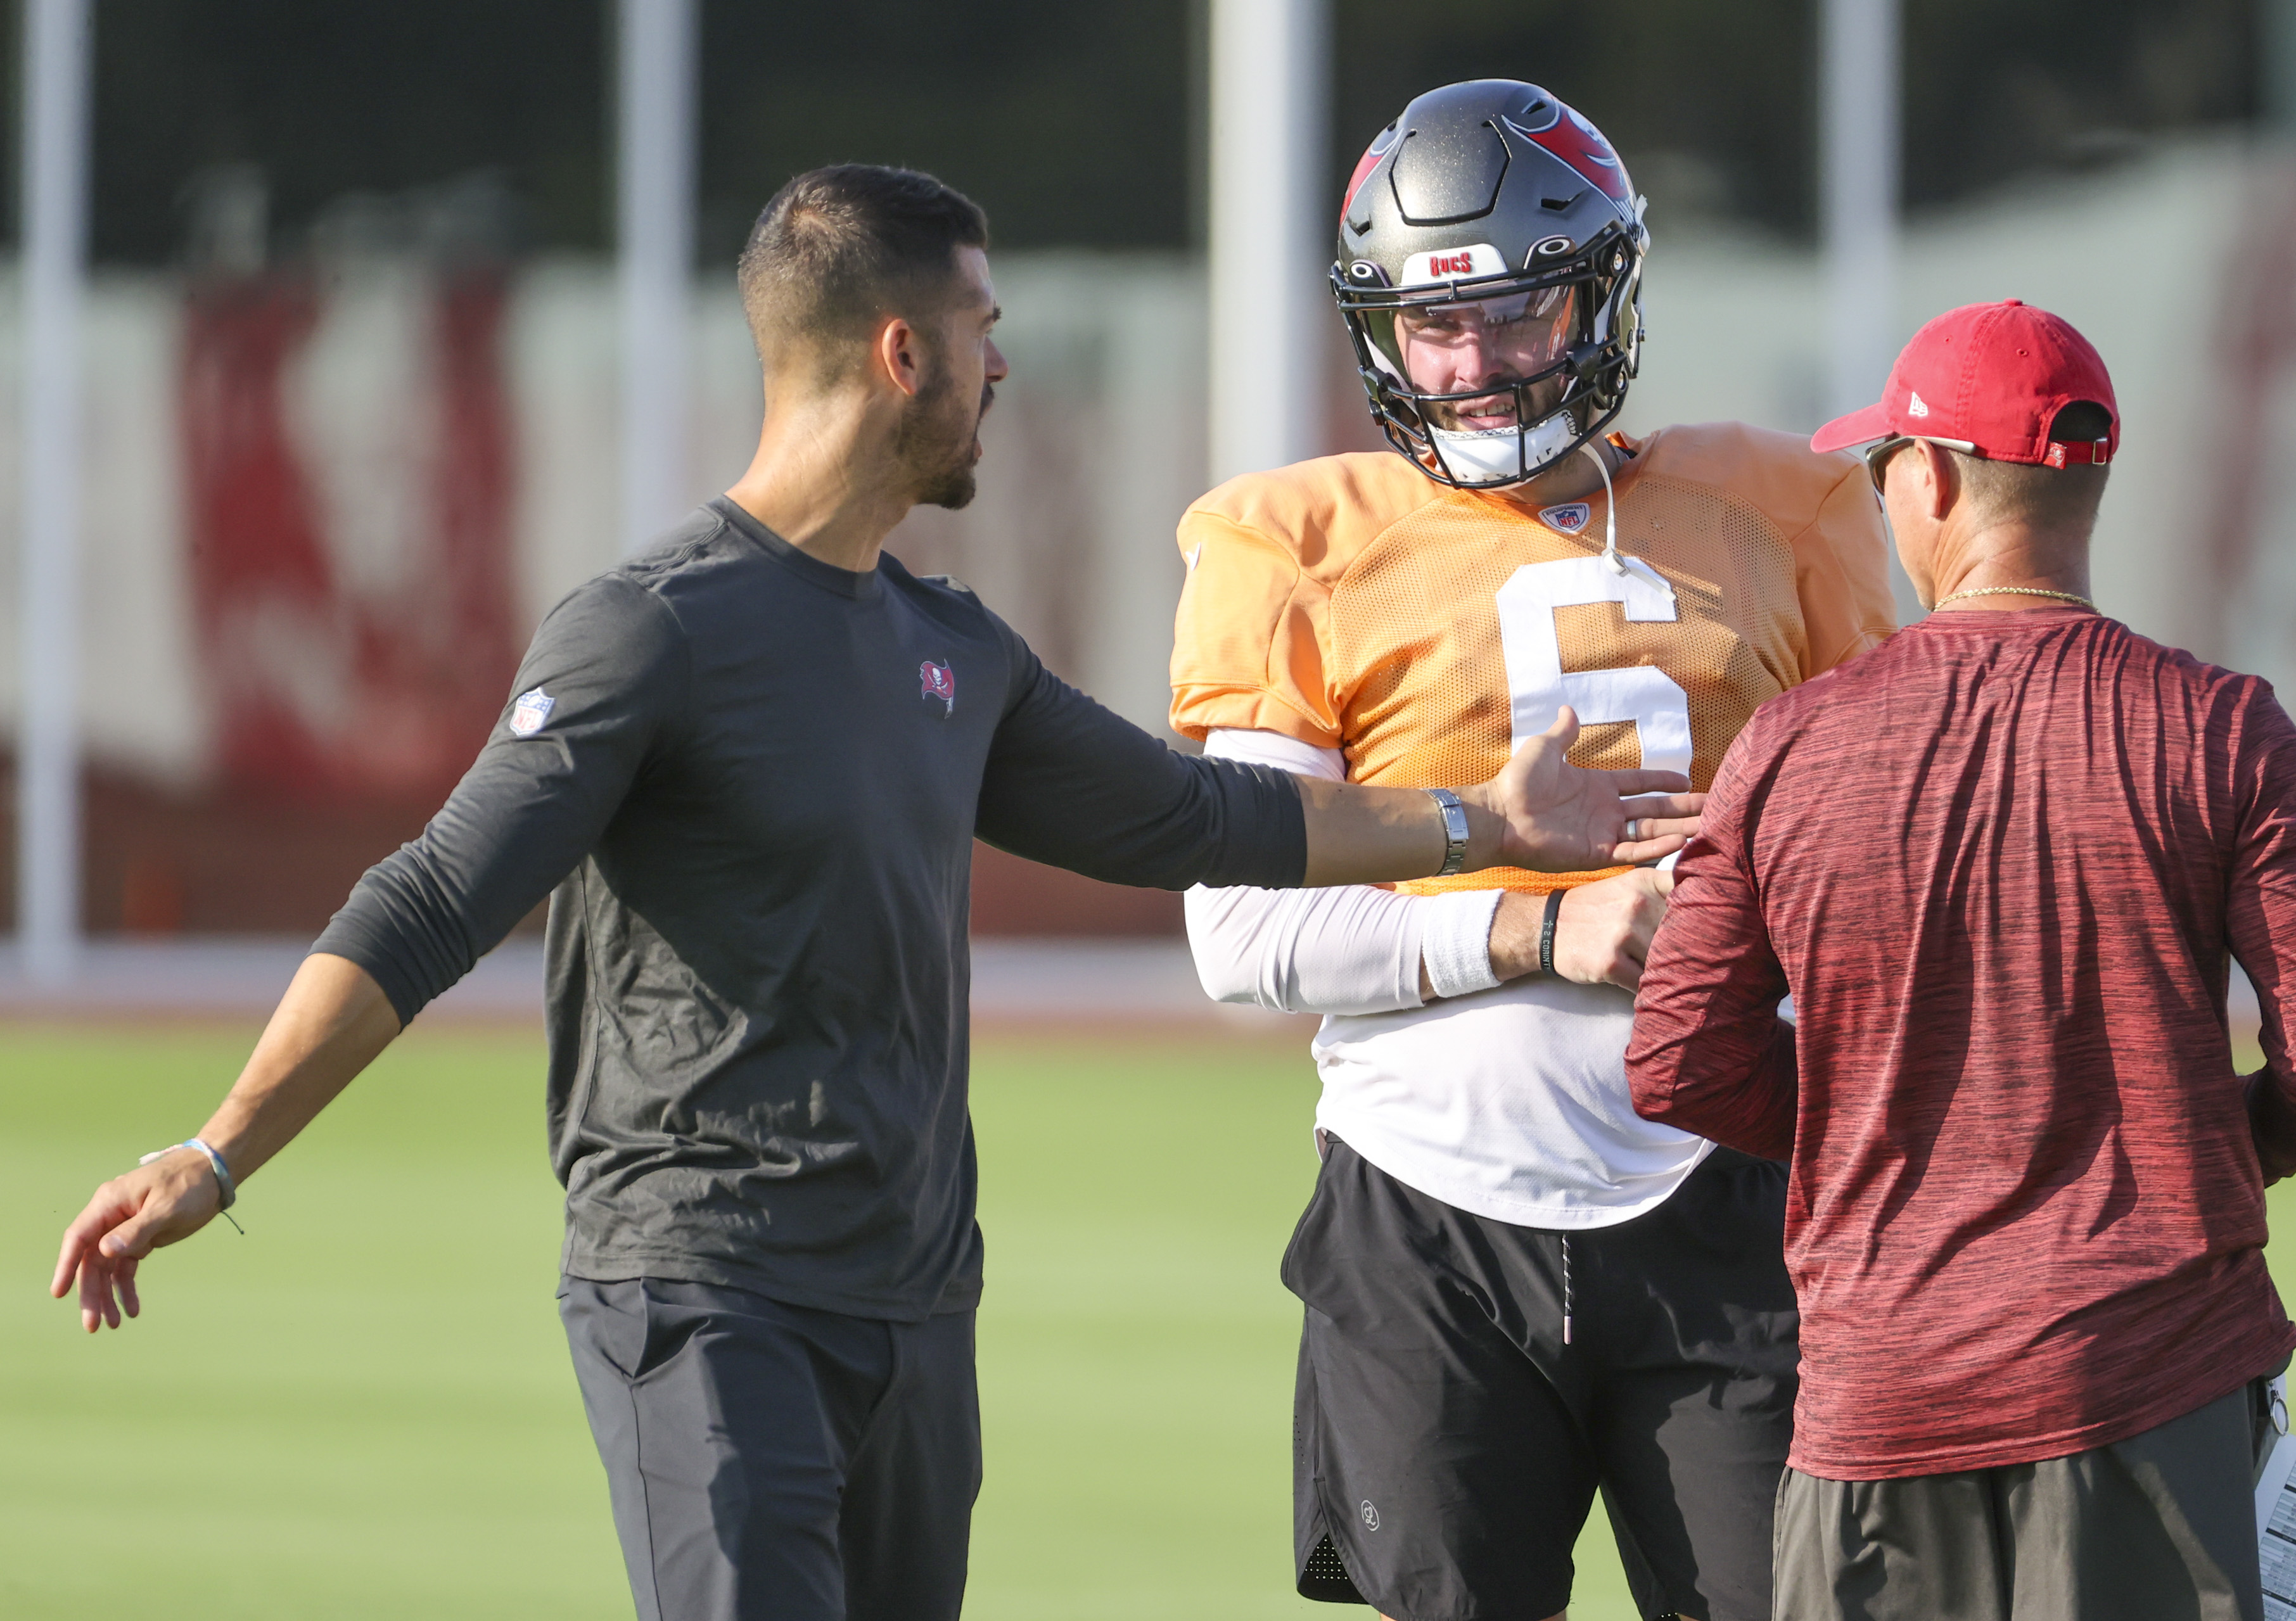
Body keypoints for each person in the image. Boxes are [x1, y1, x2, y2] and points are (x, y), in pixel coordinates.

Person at [48, 164, 1705, 1621]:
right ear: (897, 354)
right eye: (978, 326)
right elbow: (429, 899)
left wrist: (1478, 817)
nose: (1001, 365)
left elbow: (1201, 818)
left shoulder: (949, 652)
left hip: (915, 1303)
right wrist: (216, 1151)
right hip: (701, 1288)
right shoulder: (650, 631)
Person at [1173, 81, 1897, 1621]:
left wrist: (1774, 867)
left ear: (1604, 290)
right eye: (1432, 327)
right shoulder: (1289, 538)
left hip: (1738, 1190)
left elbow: (1903, 875)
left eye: (1514, 312)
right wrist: (1529, 928)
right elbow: (1237, 939)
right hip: (1422, 1215)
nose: (1471, 367)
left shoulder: (1785, 505)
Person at [1624, 299, 2296, 1621]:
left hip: (1878, 1392)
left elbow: (1676, 1059)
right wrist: (2177, 1149)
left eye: (1882, 472)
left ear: (1924, 476)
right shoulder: (2223, 729)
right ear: (2088, 483)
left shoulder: (1790, 745)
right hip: (2156, 1383)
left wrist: (1879, 1128)